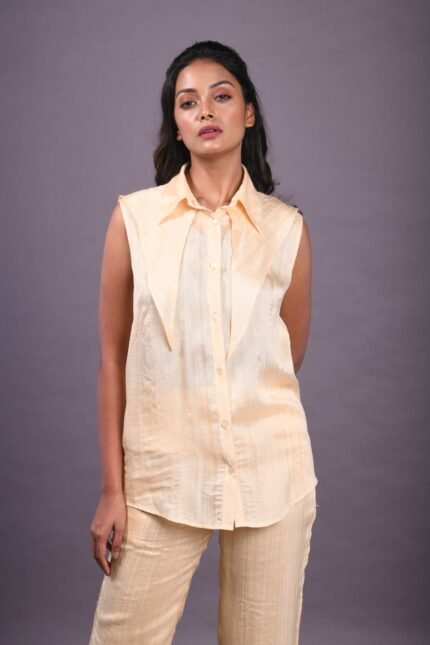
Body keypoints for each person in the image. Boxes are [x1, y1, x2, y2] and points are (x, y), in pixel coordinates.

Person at [88, 39, 319, 645]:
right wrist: (113, 490)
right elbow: (113, 359)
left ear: (249, 112)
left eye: (222, 96)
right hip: (161, 480)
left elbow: (285, 355)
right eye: (188, 102)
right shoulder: (134, 220)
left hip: (272, 475)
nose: (206, 111)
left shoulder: (285, 230)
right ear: (177, 124)